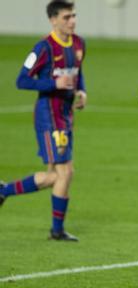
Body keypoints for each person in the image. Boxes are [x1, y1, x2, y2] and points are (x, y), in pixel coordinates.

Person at [0, 0, 86, 241]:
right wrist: (53, 83)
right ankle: (56, 231)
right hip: (48, 117)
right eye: (67, 17)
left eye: (74, 16)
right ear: (53, 20)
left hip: (66, 116)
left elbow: (78, 73)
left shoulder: (79, 44)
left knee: (54, 175)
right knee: (65, 173)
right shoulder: (44, 48)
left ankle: (4, 190)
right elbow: (22, 80)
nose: (72, 21)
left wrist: (82, 91)